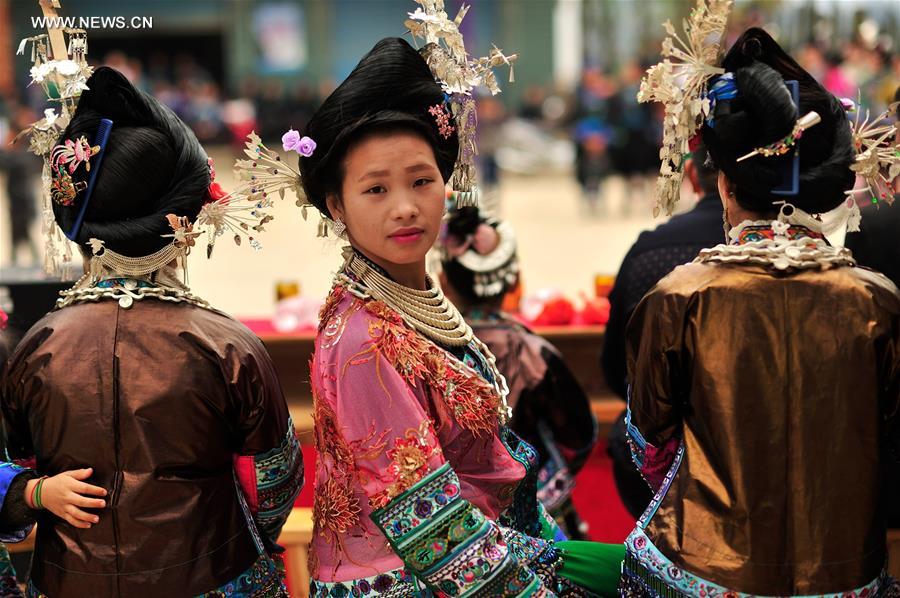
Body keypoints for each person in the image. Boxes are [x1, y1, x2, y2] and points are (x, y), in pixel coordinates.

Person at [234, 6, 625, 593]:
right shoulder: (365, 338)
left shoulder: (414, 302)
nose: (405, 206)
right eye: (375, 189)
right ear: (336, 207)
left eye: (421, 180)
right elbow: (430, 531)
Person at [1, 67, 302, 597]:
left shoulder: (35, 348)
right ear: (185, 220)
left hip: (70, 583)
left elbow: (19, 467)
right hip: (212, 575)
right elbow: (274, 482)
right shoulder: (228, 346)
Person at [622, 23, 900, 596]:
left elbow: (650, 439)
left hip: (705, 570)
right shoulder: (876, 299)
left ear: (723, 185)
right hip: (845, 568)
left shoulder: (679, 296)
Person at [439, 205, 597, 540]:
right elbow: (579, 434)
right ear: (516, 282)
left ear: (442, 282)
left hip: (453, 519)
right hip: (536, 513)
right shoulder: (533, 352)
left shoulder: (428, 350)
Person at [601, 143, 722, 519]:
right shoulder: (794, 251)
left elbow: (616, 366)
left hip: (665, 451)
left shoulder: (650, 248)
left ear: (691, 177)